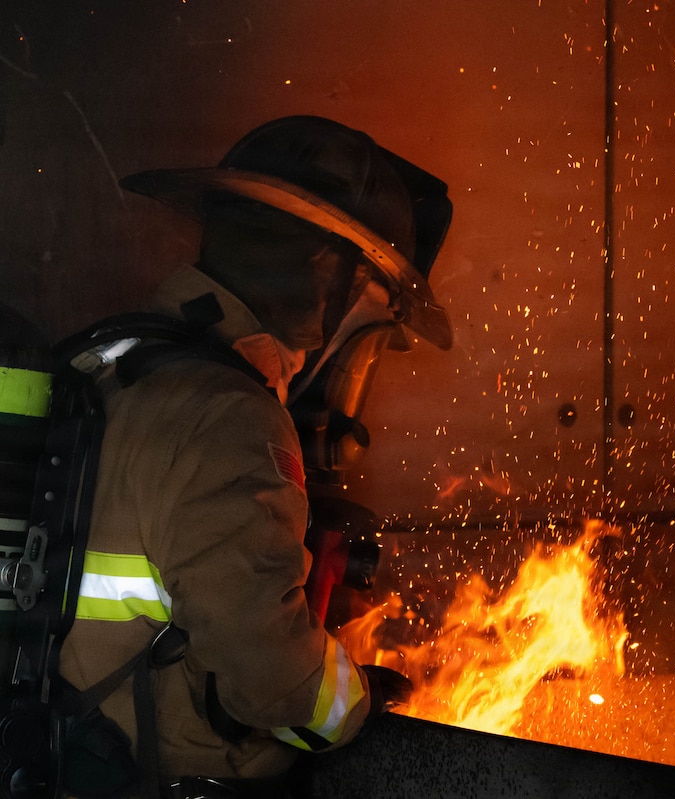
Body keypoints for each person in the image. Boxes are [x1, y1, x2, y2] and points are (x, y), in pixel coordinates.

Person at [57, 116, 453, 798]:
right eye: (370, 317)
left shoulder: (113, 362)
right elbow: (267, 676)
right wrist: (357, 703)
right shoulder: (230, 414)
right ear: (326, 282)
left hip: (69, 758)